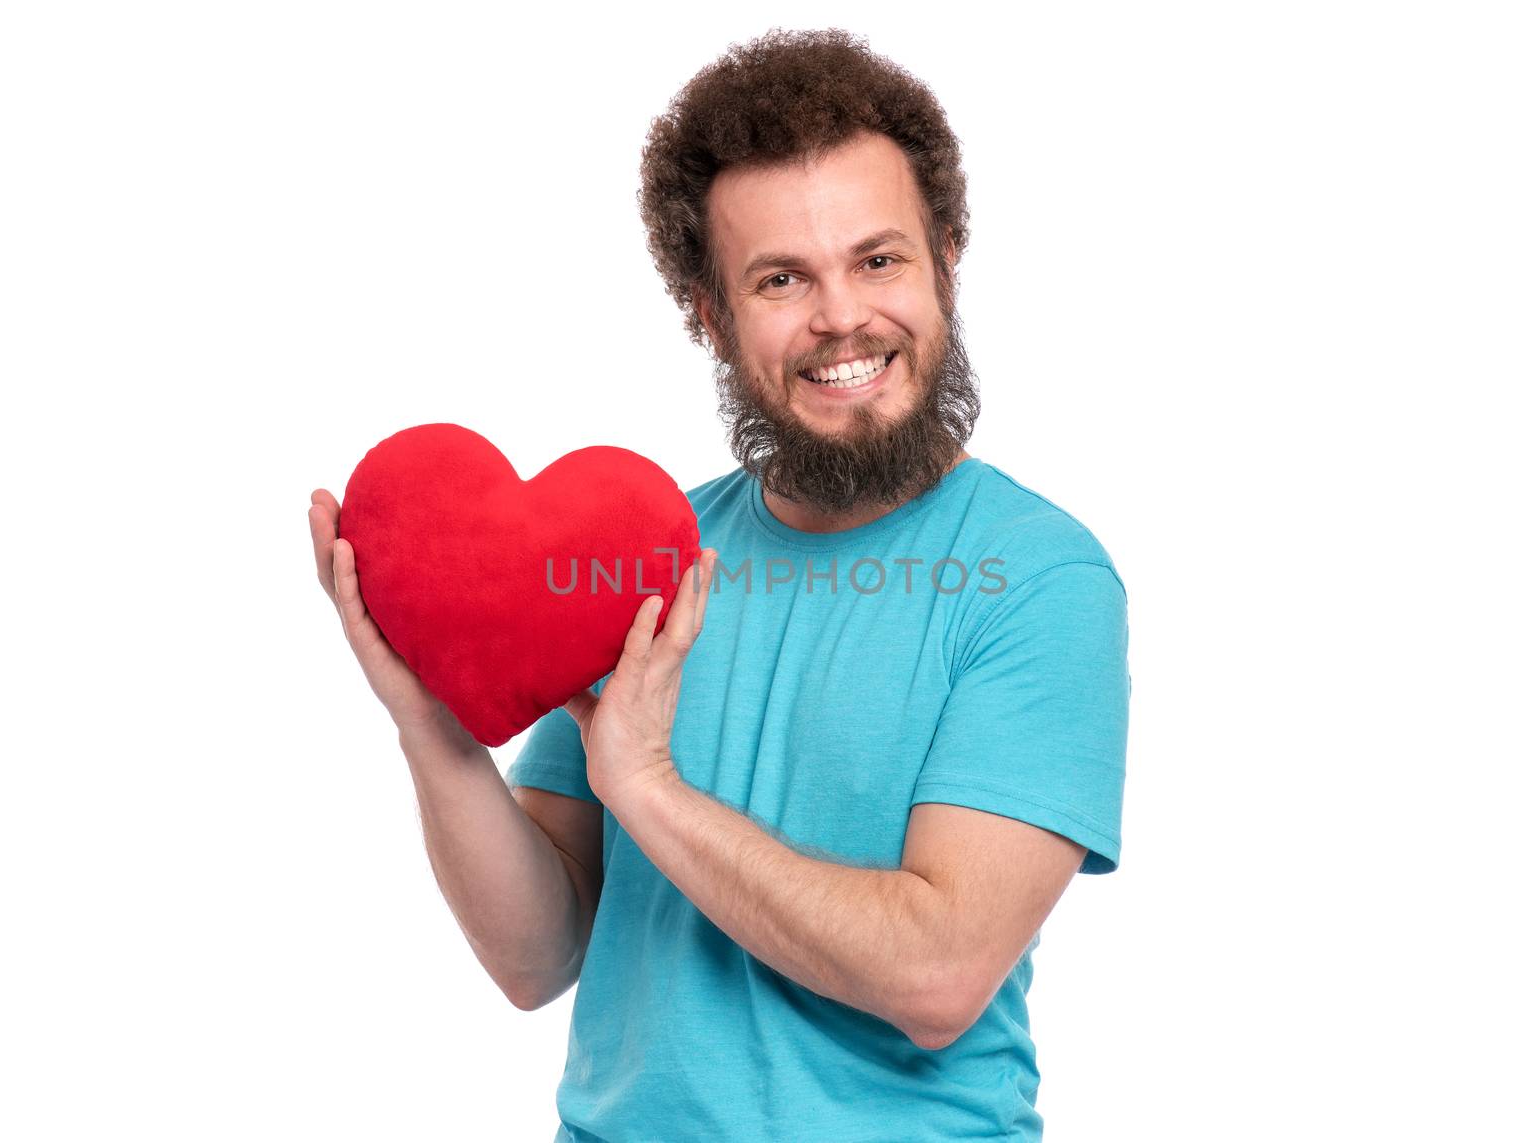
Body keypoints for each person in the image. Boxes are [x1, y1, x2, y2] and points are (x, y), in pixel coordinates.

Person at [308, 27, 1130, 1142]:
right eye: (781, 277)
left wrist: (645, 784)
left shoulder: (1036, 580)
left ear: (945, 257)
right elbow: (536, 957)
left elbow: (937, 975)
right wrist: (431, 727)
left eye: (878, 259)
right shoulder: (640, 557)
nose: (842, 317)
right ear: (707, 310)